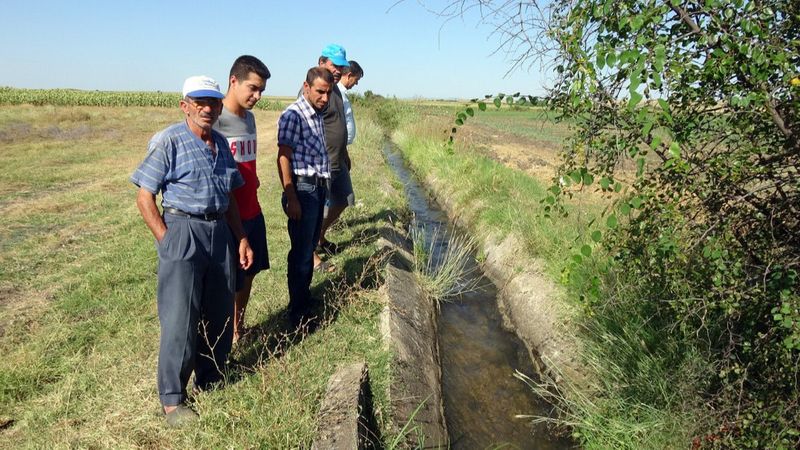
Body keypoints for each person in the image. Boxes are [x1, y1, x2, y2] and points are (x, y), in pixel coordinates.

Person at [131, 75, 253, 427]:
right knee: (180, 317)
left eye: (212, 102)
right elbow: (144, 196)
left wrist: (241, 237)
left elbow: (230, 194)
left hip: (219, 231)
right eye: (198, 101)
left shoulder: (219, 142)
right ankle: (173, 399)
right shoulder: (169, 140)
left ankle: (211, 377)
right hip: (183, 228)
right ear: (184, 105)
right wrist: (167, 239)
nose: (206, 108)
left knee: (218, 310)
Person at [214, 55, 271, 344]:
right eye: (252, 88)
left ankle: (238, 328)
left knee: (249, 274)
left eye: (261, 90)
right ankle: (220, 336)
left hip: (252, 209)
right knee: (227, 279)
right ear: (233, 81)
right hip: (227, 215)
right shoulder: (215, 120)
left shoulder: (249, 119)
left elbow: (247, 163)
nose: (257, 96)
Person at [277, 67, 334, 325]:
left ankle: (303, 298)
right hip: (303, 189)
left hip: (317, 188)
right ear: (306, 86)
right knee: (300, 254)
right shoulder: (294, 115)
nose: (324, 97)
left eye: (328, 93)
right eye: (320, 91)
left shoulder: (317, 114)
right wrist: (291, 196)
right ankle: (297, 313)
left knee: (309, 247)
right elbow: (283, 156)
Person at [312, 44, 353, 271]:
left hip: (338, 160)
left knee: (344, 200)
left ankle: (320, 237)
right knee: (317, 210)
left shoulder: (335, 89)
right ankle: (312, 255)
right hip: (320, 164)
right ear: (321, 62)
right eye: (334, 65)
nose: (338, 70)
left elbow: (337, 123)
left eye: (341, 66)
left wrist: (345, 152)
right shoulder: (314, 90)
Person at [338, 60, 363, 145]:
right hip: (336, 148)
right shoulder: (336, 94)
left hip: (341, 147)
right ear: (349, 76)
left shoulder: (342, 94)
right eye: (356, 79)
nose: (356, 83)